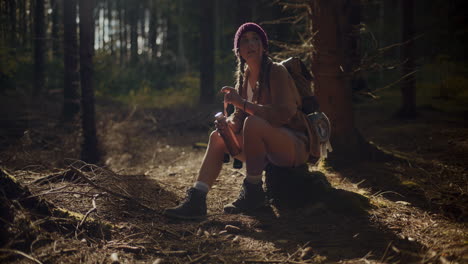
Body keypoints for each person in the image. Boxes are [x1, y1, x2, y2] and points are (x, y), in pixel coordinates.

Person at [164, 22, 314, 219]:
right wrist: (228, 126)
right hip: (264, 148)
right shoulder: (244, 78)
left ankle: (253, 192)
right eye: (244, 41)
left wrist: (241, 103)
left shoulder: (276, 71)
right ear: (239, 51)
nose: (250, 44)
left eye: (255, 39)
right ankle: (197, 200)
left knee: (253, 123)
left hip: (293, 145)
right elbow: (240, 118)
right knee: (217, 137)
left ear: (263, 46)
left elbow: (282, 114)